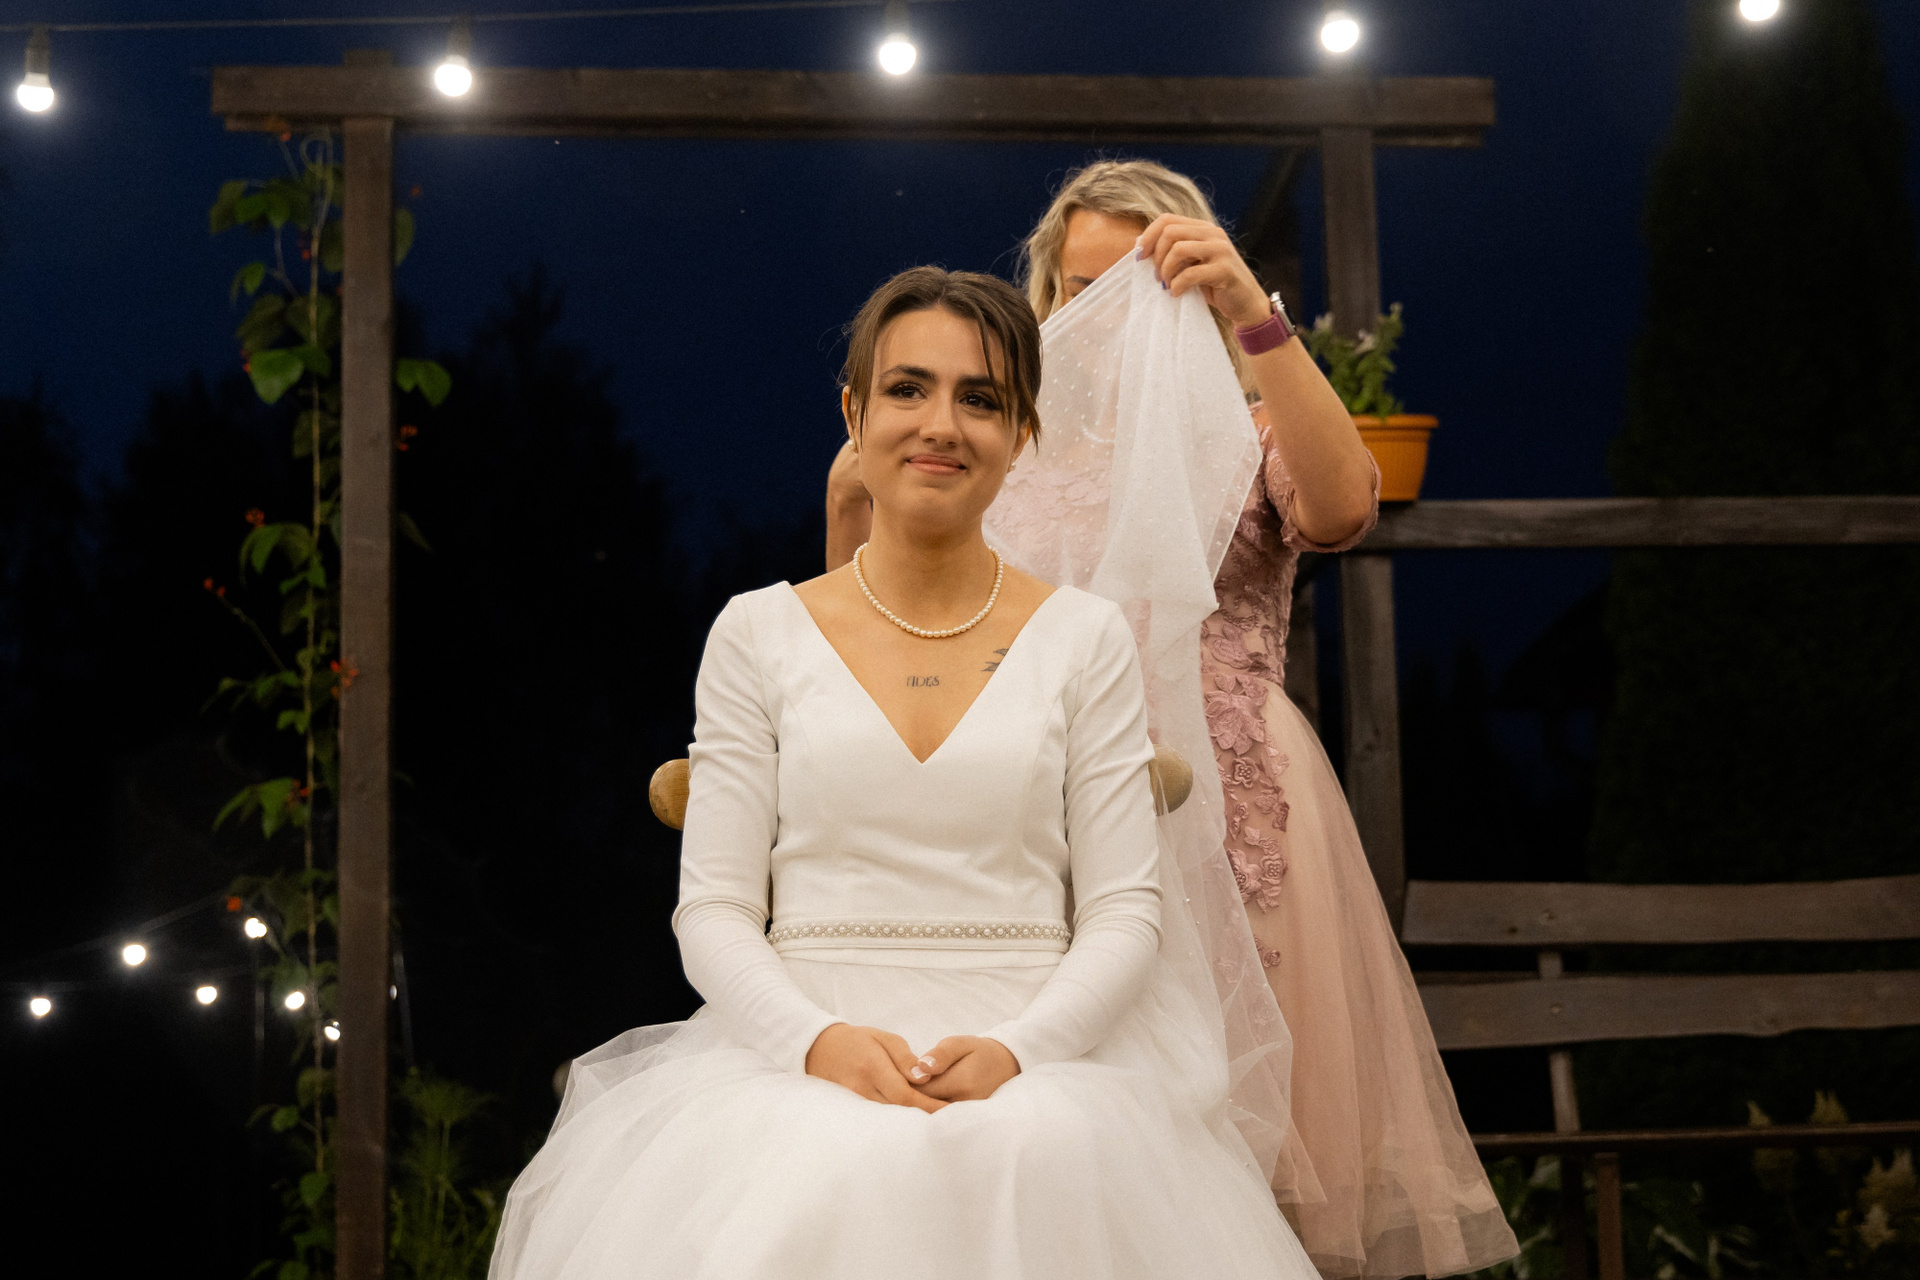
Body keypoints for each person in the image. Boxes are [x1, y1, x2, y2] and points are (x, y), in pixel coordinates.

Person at [489, 266, 1323, 1280]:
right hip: (795, 1050)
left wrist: (1020, 1049)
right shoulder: (756, 633)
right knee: (819, 1168)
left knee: (1029, 1147)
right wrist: (817, 1042)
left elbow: (1122, 913)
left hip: (1038, 1060)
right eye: (908, 388)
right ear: (854, 412)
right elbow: (712, 908)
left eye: (982, 399)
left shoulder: (1085, 637)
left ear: (1022, 433)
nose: (941, 424)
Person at [825, 161, 1517, 1279]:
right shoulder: (1003, 449)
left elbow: (1342, 505)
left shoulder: (1244, 427)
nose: (1112, 311)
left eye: (1142, 282)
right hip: (1049, 816)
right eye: (1083, 286)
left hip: (1234, 818)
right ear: (1048, 300)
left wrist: (1250, 308)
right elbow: (890, 621)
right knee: (1073, 1148)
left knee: (1250, 1158)